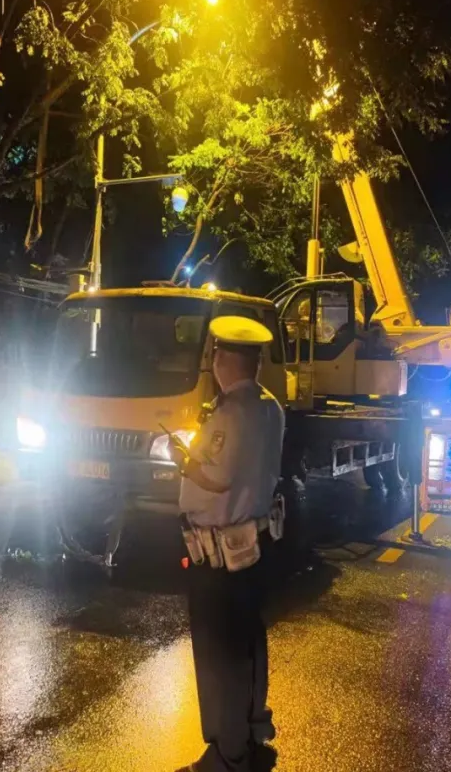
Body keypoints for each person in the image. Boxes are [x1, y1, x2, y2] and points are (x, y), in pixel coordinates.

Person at [170, 315, 286, 772]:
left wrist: (185, 458)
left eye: (216, 353)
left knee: (220, 655)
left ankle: (228, 753)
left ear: (223, 359)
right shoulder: (269, 407)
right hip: (253, 546)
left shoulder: (230, 412)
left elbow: (215, 475)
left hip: (218, 554)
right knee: (249, 642)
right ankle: (254, 729)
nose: (213, 360)